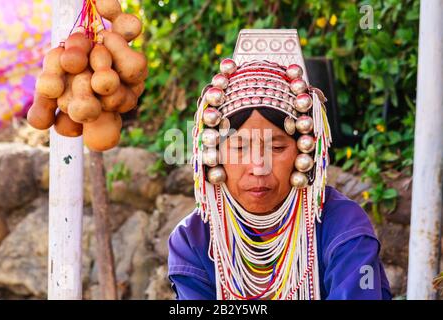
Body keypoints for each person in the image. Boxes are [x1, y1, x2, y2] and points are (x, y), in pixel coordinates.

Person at [167, 58, 392, 300]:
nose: (258, 167)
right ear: (214, 155)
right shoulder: (193, 240)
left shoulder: (343, 227)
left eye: (275, 148)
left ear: (303, 152)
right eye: (240, 148)